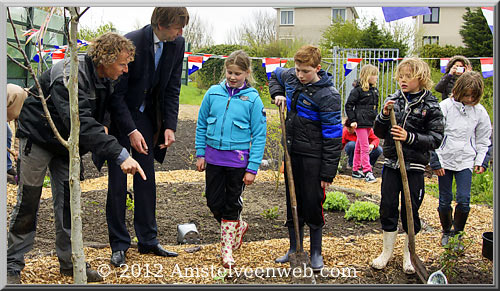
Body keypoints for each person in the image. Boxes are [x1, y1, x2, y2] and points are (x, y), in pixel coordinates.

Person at [7, 32, 145, 284]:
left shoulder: (108, 76)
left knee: (69, 205)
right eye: (122, 64)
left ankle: (70, 264)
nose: (126, 70)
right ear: (105, 58)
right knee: (28, 201)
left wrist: (106, 124)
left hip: (66, 145)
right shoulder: (69, 74)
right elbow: (78, 122)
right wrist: (120, 154)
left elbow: (110, 104)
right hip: (38, 137)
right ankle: (11, 264)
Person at [106, 7, 189, 267]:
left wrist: (169, 125)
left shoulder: (177, 44)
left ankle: (148, 240)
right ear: (161, 24)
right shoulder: (131, 42)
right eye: (177, 26)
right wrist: (129, 131)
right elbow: (116, 95)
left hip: (147, 118)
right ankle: (119, 244)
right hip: (120, 118)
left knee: (146, 179)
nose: (181, 31)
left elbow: (172, 87)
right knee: (118, 184)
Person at [269, 45, 342, 271]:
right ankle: (294, 248)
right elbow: (274, 75)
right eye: (298, 70)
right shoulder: (290, 76)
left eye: (306, 71)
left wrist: (328, 171)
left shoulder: (328, 95)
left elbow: (332, 136)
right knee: (293, 201)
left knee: (312, 202)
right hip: (292, 151)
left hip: (314, 156)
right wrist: (278, 93)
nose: (300, 75)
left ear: (318, 68)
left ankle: (316, 251)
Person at [371, 57, 444, 274]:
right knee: (388, 206)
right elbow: (379, 132)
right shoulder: (393, 100)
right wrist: (384, 116)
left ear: (420, 78)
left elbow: (437, 138)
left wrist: (409, 137)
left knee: (411, 209)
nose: (403, 80)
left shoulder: (430, 105)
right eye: (400, 76)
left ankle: (409, 254)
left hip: (415, 166)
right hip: (392, 163)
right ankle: (386, 252)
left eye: (408, 77)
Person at [195, 50, 267, 268]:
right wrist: (200, 153)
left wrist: (252, 168)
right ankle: (238, 225)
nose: (233, 77)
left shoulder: (253, 99)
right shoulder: (213, 93)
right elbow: (201, 124)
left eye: (237, 73)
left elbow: (260, 134)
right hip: (214, 158)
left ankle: (226, 249)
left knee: (231, 204)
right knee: (212, 201)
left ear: (247, 73)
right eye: (229, 73)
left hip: (238, 162)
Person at [430, 71, 491, 248]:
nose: (469, 99)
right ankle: (447, 231)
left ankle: (458, 234)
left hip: (465, 160)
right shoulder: (445, 107)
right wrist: (436, 161)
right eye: (466, 95)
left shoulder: (479, 112)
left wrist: (481, 160)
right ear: (458, 90)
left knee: (464, 200)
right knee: (444, 200)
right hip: (445, 159)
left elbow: (483, 138)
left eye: (473, 96)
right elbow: (434, 134)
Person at [344, 64, 380, 183]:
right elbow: (349, 105)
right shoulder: (358, 90)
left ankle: (355, 169)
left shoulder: (374, 90)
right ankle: (367, 171)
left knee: (359, 146)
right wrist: (353, 120)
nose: (376, 77)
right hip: (360, 122)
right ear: (367, 75)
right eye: (374, 75)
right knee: (365, 147)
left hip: (369, 122)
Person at [6, 84, 28, 184]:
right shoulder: (15, 93)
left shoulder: (25, 105)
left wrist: (16, 150)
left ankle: (7, 166)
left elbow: (19, 127)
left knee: (7, 133)